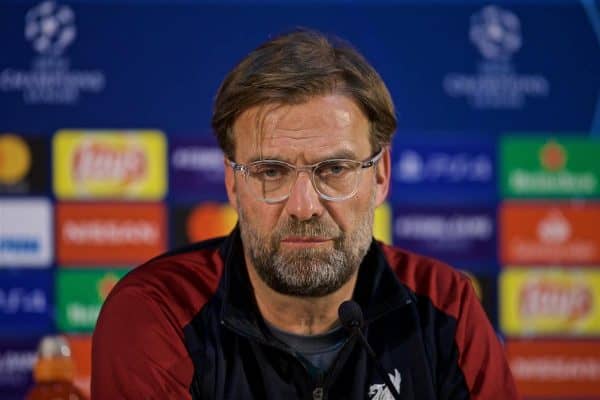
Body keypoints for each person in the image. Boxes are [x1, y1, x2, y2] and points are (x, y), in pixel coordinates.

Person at [91, 29, 519, 400]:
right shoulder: (155, 311)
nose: (303, 206)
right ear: (232, 183)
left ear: (381, 175)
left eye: (334, 169)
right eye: (270, 172)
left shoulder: (446, 306)